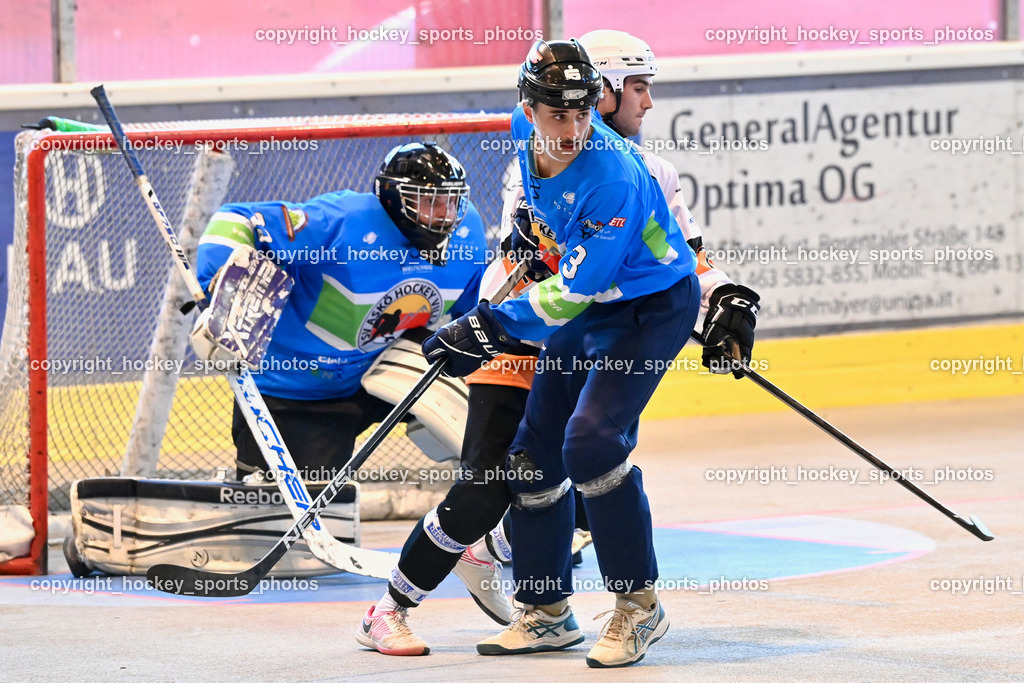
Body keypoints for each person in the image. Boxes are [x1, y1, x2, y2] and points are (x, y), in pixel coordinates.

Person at [355, 31, 759, 662]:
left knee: (592, 442)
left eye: (579, 112)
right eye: (555, 113)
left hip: (647, 308)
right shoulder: (525, 129)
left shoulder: (613, 177)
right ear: (529, 105)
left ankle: (639, 607)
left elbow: (572, 292)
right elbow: (545, 247)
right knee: (530, 459)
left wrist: (488, 327)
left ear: (595, 102)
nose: (569, 129)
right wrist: (518, 255)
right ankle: (544, 610)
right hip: (587, 305)